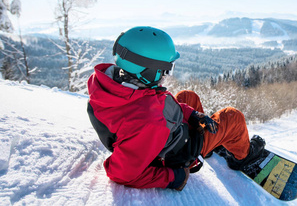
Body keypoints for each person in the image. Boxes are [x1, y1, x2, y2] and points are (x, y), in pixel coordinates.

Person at [87, 26, 265, 191]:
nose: (167, 75)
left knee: (188, 96)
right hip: (180, 150)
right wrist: (173, 177)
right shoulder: (149, 122)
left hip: (168, 132)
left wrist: (192, 114)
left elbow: (159, 104)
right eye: (167, 69)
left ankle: (211, 141)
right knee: (232, 116)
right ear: (149, 71)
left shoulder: (112, 85)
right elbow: (121, 174)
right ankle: (243, 157)